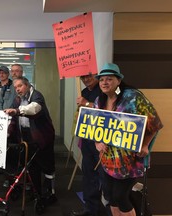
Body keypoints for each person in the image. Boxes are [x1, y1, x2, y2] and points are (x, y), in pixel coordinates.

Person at [93, 63, 163, 216]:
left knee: (121, 197)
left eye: (109, 79)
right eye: (101, 79)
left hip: (129, 160)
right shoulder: (99, 101)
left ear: (118, 81)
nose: (104, 82)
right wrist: (97, 142)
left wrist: (145, 145)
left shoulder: (132, 97)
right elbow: (95, 127)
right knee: (110, 197)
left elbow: (155, 123)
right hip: (106, 159)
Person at [4, 77, 57, 212]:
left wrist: (16, 111)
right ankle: (38, 193)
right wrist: (8, 133)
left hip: (42, 137)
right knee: (32, 166)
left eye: (20, 86)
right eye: (16, 87)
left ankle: (50, 193)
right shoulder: (17, 100)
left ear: (27, 85)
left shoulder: (37, 96)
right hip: (26, 137)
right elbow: (14, 121)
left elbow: (34, 109)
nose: (18, 89)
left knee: (47, 166)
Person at [70, 73, 106, 216]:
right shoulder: (84, 92)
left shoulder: (103, 90)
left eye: (89, 77)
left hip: (102, 141)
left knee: (104, 178)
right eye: (83, 78)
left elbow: (106, 112)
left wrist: (86, 103)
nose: (86, 80)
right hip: (88, 139)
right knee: (88, 176)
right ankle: (91, 210)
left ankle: (109, 210)